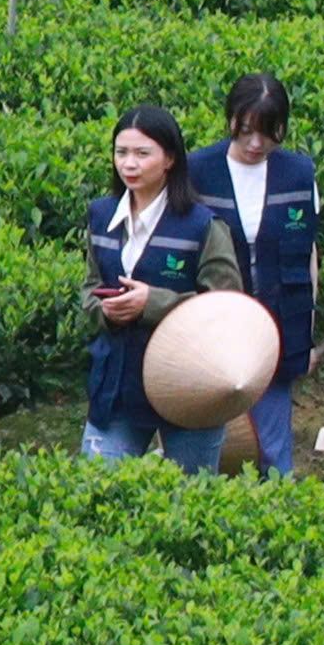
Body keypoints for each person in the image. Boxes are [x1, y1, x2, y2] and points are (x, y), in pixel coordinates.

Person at [83, 103, 243, 473]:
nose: (129, 164)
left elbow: (227, 308)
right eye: (121, 152)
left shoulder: (203, 225)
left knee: (191, 494)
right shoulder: (101, 216)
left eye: (142, 154)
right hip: (118, 382)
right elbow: (89, 288)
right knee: (97, 486)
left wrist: (152, 303)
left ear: (169, 158)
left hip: (190, 384)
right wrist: (104, 310)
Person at [190, 73, 319, 476]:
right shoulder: (198, 171)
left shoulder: (299, 173)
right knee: (209, 443)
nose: (256, 144)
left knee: (272, 446)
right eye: (246, 131)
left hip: (279, 322)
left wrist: (308, 333)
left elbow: (309, 254)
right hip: (216, 329)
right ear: (230, 120)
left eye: (268, 132)